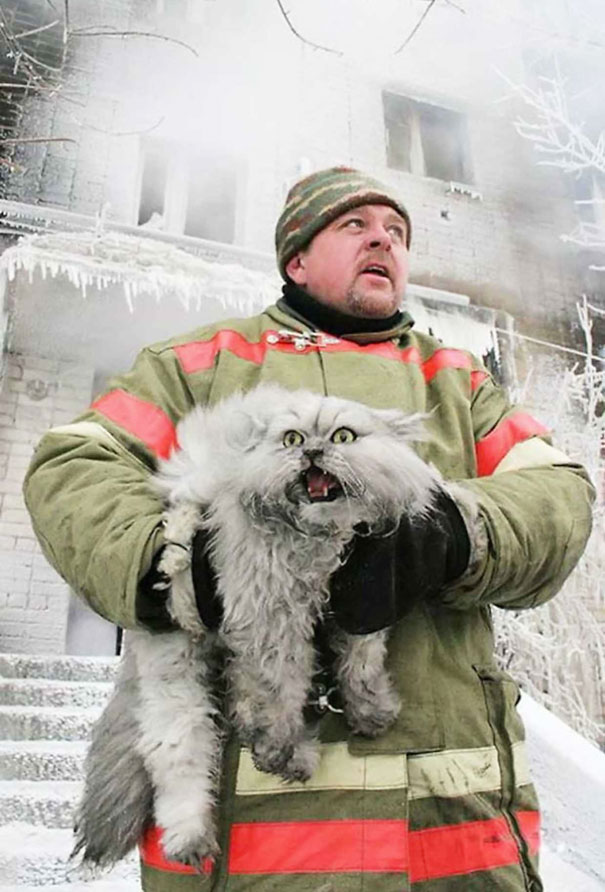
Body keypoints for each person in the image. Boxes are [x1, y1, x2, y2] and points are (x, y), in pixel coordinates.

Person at [23, 167, 594, 892]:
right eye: (354, 226)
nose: (382, 240)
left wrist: (450, 533)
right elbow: (70, 467)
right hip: (247, 857)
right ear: (296, 258)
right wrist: (179, 566)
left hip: (450, 830)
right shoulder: (199, 364)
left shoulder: (457, 383)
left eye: (395, 233)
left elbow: (558, 493)